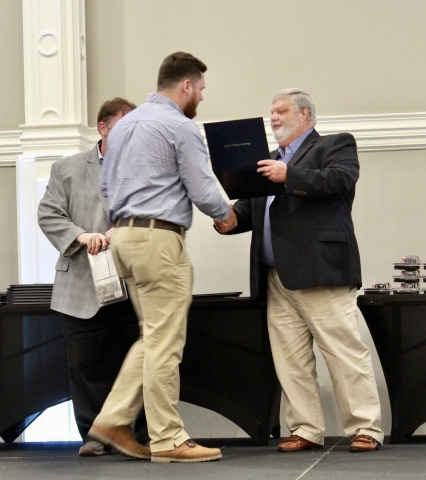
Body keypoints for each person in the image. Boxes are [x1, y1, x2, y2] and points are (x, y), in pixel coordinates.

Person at [215, 88, 384, 453]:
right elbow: (252, 209)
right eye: (272, 111)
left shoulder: (335, 145)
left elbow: (339, 180)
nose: (273, 117)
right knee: (290, 359)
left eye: (281, 110)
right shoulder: (268, 161)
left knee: (343, 353)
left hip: (321, 271)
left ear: (305, 114)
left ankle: (365, 427)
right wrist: (230, 219)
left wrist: (288, 175)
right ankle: (306, 428)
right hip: (276, 277)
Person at [88, 52, 235, 463]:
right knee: (166, 342)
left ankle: (113, 420)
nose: (201, 97)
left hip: (124, 238)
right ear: (186, 85)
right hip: (158, 240)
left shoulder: (123, 126)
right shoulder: (179, 126)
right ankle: (168, 437)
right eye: (200, 89)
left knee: (153, 336)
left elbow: (105, 185)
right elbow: (202, 187)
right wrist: (225, 214)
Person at [38, 97, 139, 457]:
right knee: (85, 365)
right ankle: (95, 436)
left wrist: (124, 231)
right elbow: (49, 214)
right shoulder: (66, 168)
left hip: (132, 282)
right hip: (82, 283)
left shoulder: (144, 168)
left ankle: (139, 434)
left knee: (138, 361)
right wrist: (81, 236)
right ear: (103, 128)